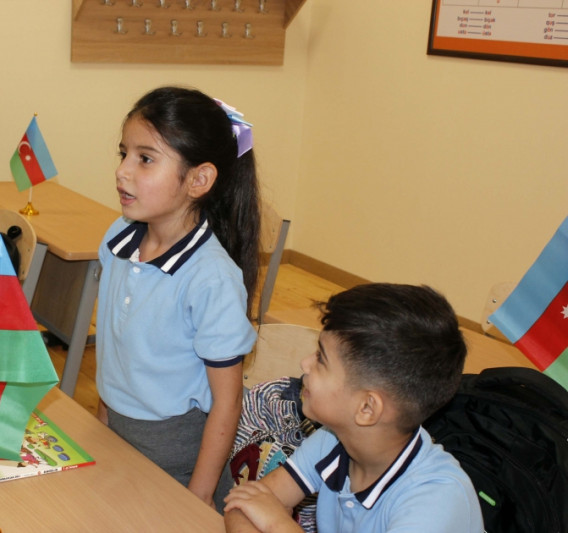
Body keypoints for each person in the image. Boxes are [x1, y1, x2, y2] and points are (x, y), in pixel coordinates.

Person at [95, 86, 261, 512]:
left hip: (177, 461)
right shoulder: (118, 237)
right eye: (124, 154)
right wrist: (102, 425)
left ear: (199, 180)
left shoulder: (211, 278)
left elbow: (227, 402)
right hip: (119, 438)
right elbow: (114, 352)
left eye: (145, 159)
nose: (122, 171)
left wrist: (199, 496)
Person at [223, 283, 484, 532]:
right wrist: (267, 514)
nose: (305, 363)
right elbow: (242, 507)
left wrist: (277, 523)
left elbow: (264, 512)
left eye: (321, 359)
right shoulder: (333, 438)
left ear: (367, 408)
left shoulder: (434, 505)